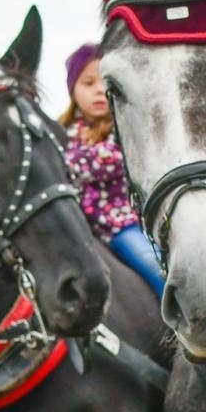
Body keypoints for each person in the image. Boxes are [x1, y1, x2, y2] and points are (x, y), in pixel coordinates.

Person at [60, 41, 166, 297]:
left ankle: (184, 318)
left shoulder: (126, 127)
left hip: (120, 225)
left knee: (153, 263)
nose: (99, 90)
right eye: (88, 83)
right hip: (77, 226)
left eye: (107, 82)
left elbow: (110, 160)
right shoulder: (65, 132)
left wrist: (66, 163)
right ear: (73, 90)